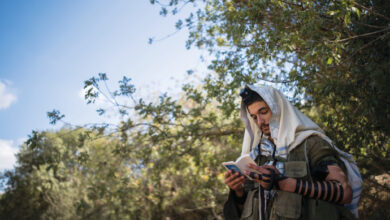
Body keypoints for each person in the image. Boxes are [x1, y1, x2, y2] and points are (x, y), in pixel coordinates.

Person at [223, 85, 358, 220]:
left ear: (278, 110)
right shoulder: (256, 155)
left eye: (263, 112)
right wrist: (238, 192)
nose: (259, 121)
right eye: (253, 117)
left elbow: (344, 192)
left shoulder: (311, 144)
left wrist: (284, 183)